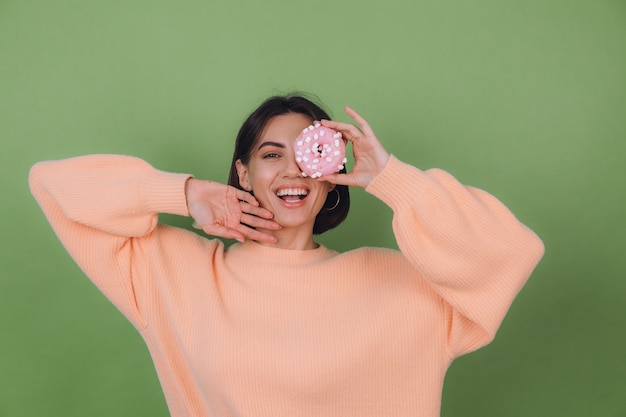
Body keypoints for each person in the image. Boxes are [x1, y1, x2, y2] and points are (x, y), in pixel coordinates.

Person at [29, 94, 544, 417]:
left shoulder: (399, 283)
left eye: (307, 154)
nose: (292, 171)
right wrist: (183, 194)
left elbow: (512, 252)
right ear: (244, 173)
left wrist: (391, 180)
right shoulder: (178, 273)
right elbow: (51, 185)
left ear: (329, 174)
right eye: (272, 155)